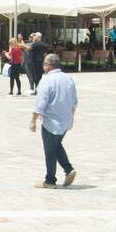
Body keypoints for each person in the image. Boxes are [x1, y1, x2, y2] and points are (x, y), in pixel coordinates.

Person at [29, 53, 79, 190]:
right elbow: (74, 102)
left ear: (49, 65)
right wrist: (71, 117)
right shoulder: (68, 79)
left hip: (51, 122)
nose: (43, 66)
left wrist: (33, 120)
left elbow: (40, 103)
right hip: (66, 121)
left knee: (50, 150)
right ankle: (69, 169)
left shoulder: (46, 80)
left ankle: (50, 180)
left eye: (45, 63)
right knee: (56, 146)